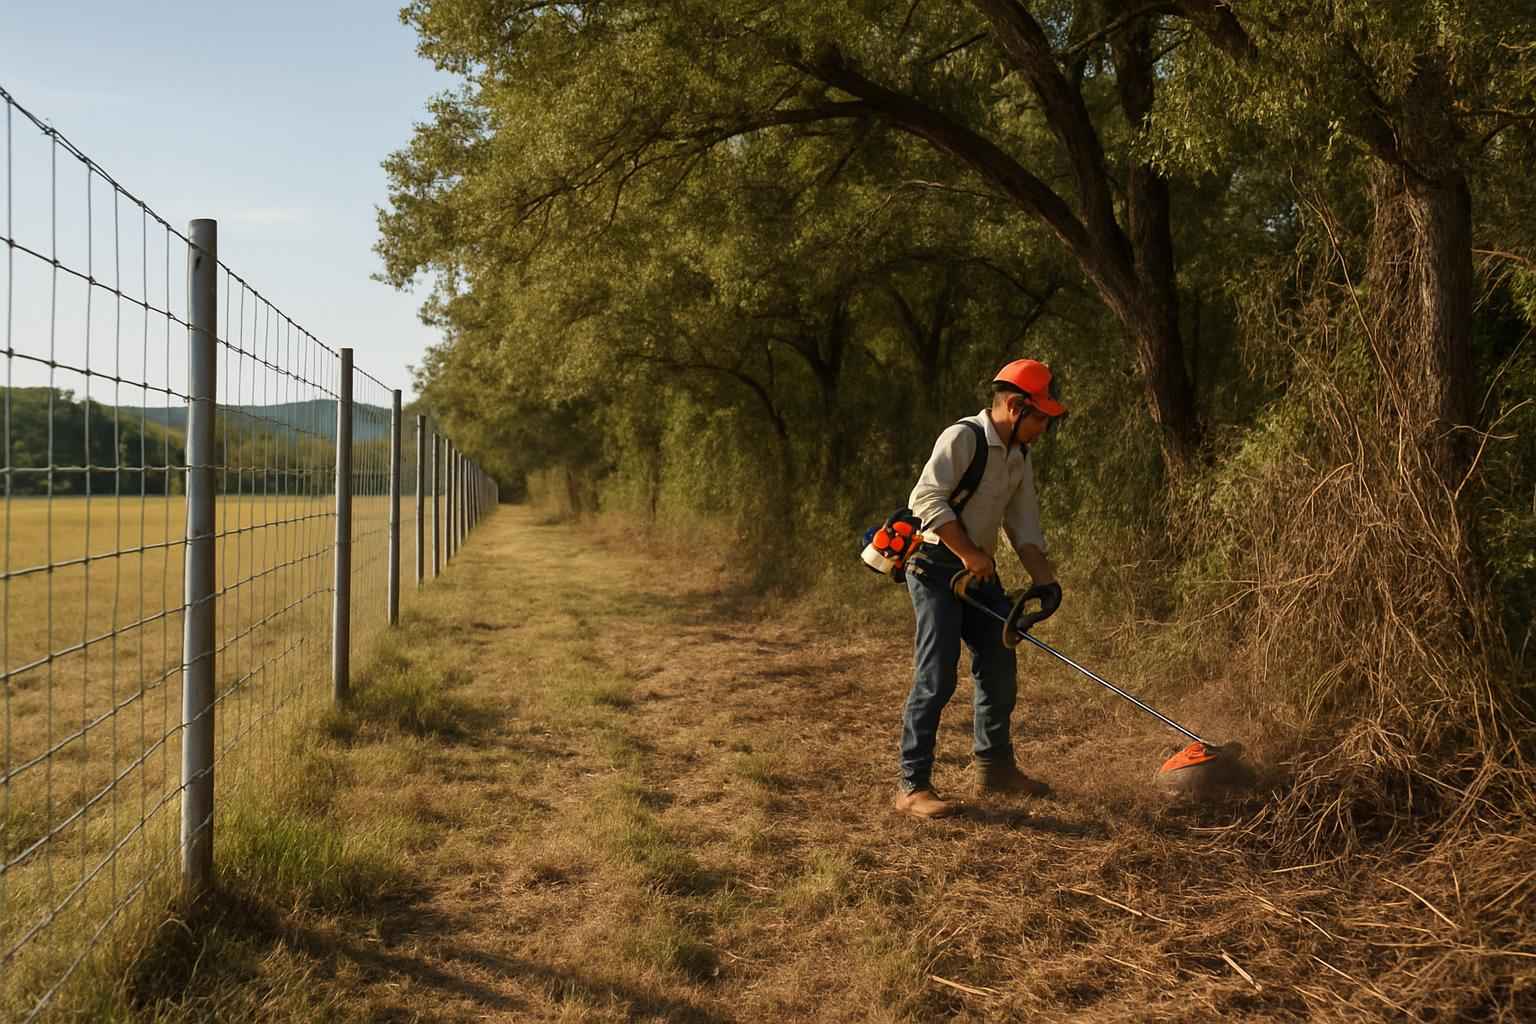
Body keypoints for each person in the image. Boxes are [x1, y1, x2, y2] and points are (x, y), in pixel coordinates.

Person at [894, 359, 1067, 819]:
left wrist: (1045, 580)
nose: (1044, 428)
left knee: (998, 661)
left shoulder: (1018, 456)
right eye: (1041, 418)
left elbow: (1023, 524)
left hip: (979, 571)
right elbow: (925, 498)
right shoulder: (964, 437)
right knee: (938, 675)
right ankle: (913, 786)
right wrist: (969, 552)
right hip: (934, 566)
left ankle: (995, 768)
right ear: (1016, 406)